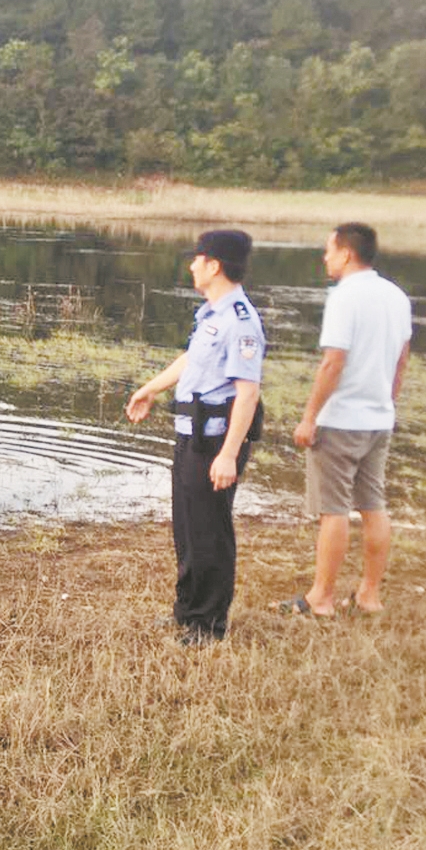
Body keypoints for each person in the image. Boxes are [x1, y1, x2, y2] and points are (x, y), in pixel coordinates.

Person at [126, 230, 266, 645]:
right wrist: (151, 388)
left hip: (216, 442)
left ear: (215, 265)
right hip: (191, 437)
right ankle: (187, 612)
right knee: (187, 529)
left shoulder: (241, 321)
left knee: (210, 533)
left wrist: (228, 454)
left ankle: (208, 625)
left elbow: (248, 392)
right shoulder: (212, 315)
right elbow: (191, 359)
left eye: (197, 259)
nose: (191, 266)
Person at [282, 222, 412, 616]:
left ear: (346, 253)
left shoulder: (344, 297)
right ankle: (369, 595)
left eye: (328, 250)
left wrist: (310, 417)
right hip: (378, 419)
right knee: (374, 504)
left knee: (333, 509)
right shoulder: (396, 295)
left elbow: (333, 361)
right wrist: (388, 401)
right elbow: (402, 358)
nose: (325, 257)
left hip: (341, 420)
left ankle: (321, 597)